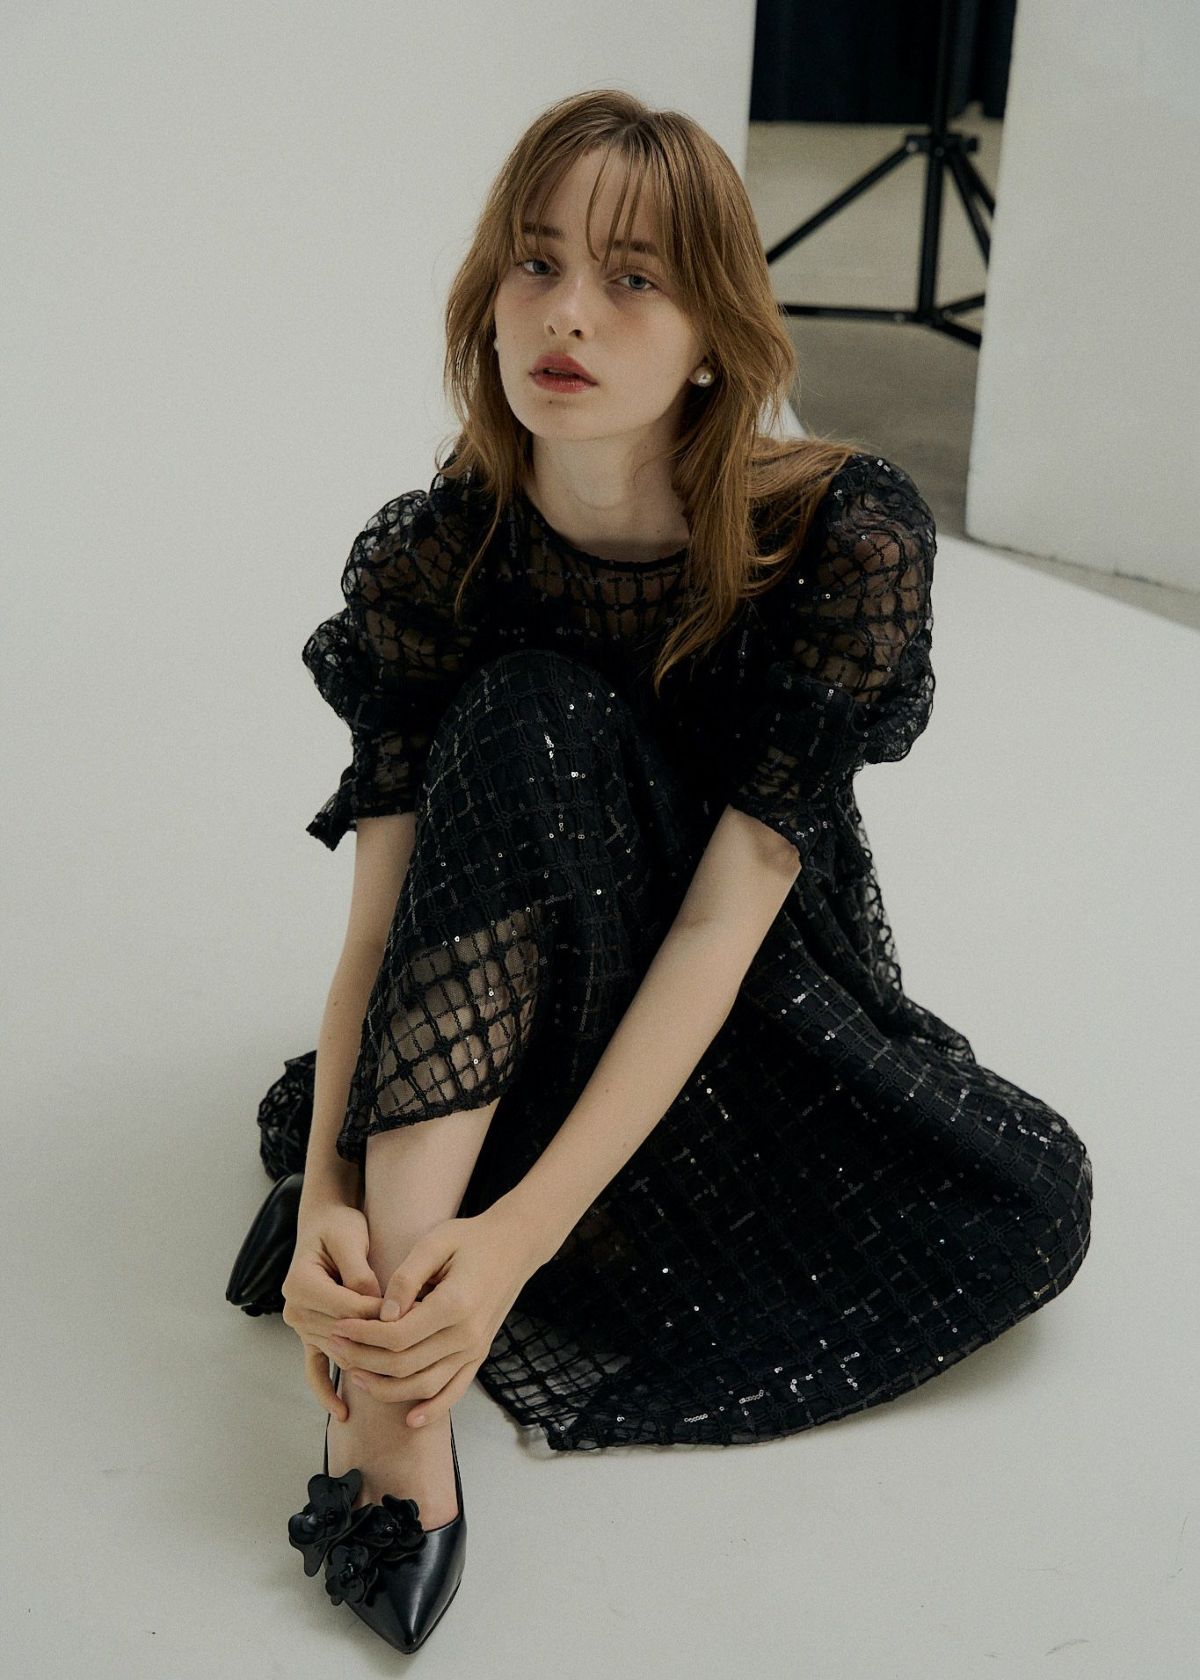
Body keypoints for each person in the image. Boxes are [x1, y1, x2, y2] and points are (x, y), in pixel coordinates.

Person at [277, 89, 1094, 1652]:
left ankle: (490, 1245)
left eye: (633, 278)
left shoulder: (839, 539)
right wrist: (325, 1191)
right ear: (489, 296)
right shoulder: (433, 561)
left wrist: (518, 1240)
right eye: (535, 264)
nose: (567, 314)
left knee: (1029, 1200)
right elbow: (379, 932)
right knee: (530, 714)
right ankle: (392, 1409)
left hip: (746, 1014)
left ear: (717, 334)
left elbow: (726, 925)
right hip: (500, 1019)